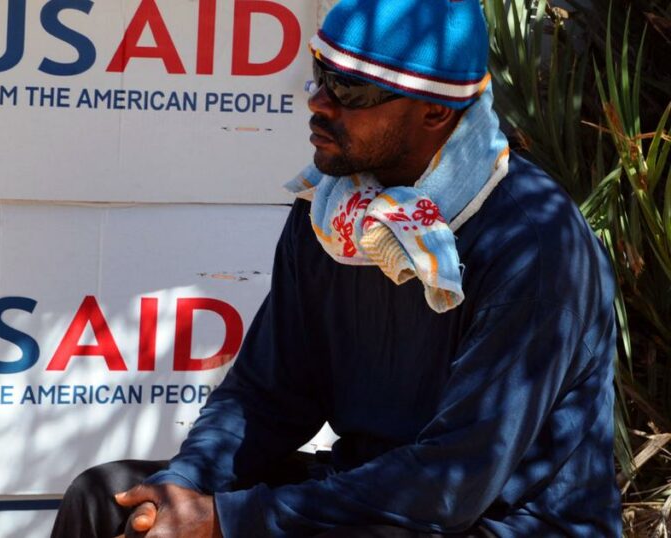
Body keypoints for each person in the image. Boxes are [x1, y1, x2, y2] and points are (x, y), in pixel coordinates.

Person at [51, 0, 621, 536]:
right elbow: (270, 393)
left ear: (433, 110)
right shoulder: (332, 209)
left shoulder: (535, 247)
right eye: (320, 73)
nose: (318, 101)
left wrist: (229, 520)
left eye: (349, 89)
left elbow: (453, 483)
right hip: (372, 495)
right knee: (108, 502)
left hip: (499, 520)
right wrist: (183, 489)